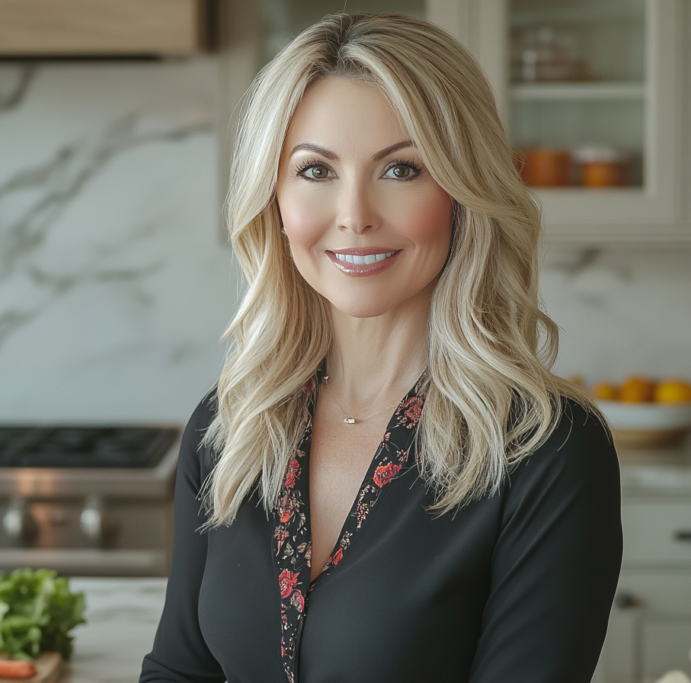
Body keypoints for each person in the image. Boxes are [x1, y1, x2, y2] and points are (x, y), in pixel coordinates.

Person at [139, 12, 623, 683]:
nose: (354, 213)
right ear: (274, 200)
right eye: (315, 170)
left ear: (461, 192)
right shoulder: (229, 429)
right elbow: (179, 671)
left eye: (400, 168)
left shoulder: (546, 451)